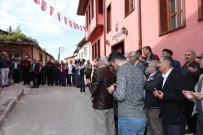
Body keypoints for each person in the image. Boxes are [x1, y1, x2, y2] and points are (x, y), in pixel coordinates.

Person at [107, 52, 147, 135]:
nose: (113, 68)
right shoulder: (138, 69)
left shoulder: (122, 70)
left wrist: (112, 91)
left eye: (112, 64)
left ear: (117, 61)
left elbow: (120, 96)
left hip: (128, 117)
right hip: (141, 116)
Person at [153, 56, 186, 135]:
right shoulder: (164, 76)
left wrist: (163, 96)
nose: (158, 65)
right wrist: (159, 94)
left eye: (160, 63)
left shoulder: (177, 75)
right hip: (166, 117)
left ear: (167, 64)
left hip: (175, 118)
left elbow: (181, 95)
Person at [86, 56, 116, 135]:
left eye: (98, 62)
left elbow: (93, 90)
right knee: (111, 126)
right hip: (110, 104)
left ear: (101, 63)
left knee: (101, 128)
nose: (97, 63)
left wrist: (89, 83)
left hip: (100, 105)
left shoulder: (97, 73)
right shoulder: (112, 74)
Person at [181, 50, 201, 134]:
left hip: (194, 95)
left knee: (194, 114)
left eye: (188, 55)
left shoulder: (198, 66)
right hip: (184, 94)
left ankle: (195, 130)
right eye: (185, 54)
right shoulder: (184, 66)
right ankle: (190, 128)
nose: (186, 56)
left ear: (193, 56)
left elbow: (201, 77)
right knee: (186, 113)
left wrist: (195, 72)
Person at [144, 60, 163, 135]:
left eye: (148, 66)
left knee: (156, 127)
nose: (147, 68)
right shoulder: (150, 75)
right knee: (150, 126)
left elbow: (151, 87)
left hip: (155, 106)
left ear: (153, 68)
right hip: (148, 105)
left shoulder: (159, 76)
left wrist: (145, 81)